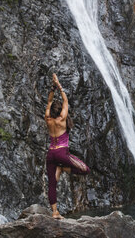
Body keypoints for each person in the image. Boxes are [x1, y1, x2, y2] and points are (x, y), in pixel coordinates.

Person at [45, 73, 90, 219]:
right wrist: (59, 86)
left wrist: (52, 88)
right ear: (60, 111)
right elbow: (65, 100)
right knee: (85, 169)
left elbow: (49, 101)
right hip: (62, 153)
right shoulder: (62, 118)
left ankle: (55, 212)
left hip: (50, 153)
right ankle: (63, 168)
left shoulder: (48, 118)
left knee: (52, 184)